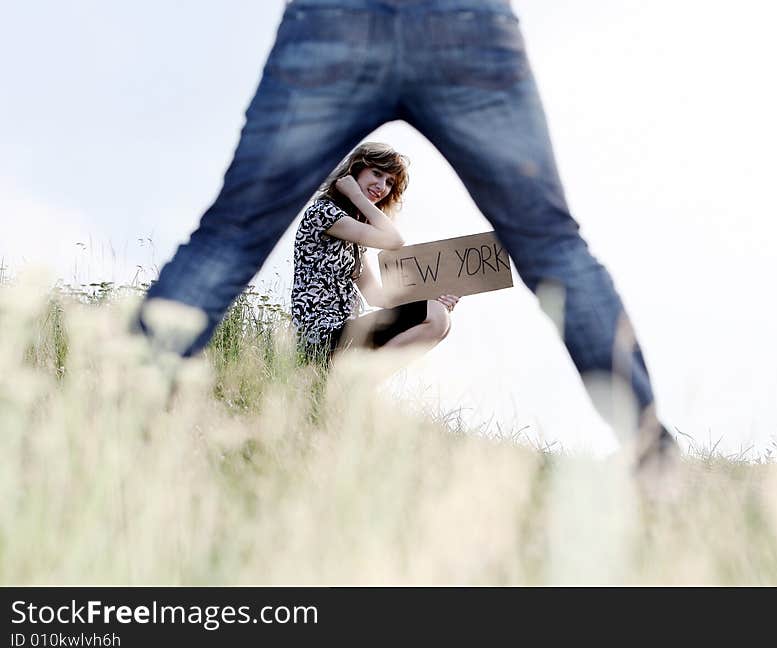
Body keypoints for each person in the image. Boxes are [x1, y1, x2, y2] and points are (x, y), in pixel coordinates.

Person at [137, 0, 677, 466]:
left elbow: (373, 288)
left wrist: (431, 292)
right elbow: (391, 242)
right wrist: (346, 188)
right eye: (374, 178)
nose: (377, 190)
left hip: (336, 23)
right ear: (357, 170)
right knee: (555, 244)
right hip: (461, 23)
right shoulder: (330, 213)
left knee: (236, 237)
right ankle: (132, 393)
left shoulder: (355, 233)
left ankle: (123, 402)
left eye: (385, 186)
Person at [292, 141, 460, 362]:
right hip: (319, 335)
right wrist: (357, 196)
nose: (382, 186)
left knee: (440, 319)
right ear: (355, 171)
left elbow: (376, 296)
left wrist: (434, 298)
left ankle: (354, 385)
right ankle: (348, 379)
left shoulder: (353, 239)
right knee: (436, 316)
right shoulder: (323, 213)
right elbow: (394, 240)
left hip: (344, 329)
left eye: (390, 182)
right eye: (377, 173)